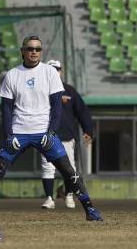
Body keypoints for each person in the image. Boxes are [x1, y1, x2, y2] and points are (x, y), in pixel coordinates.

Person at [0, 36, 102, 222]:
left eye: (38, 49)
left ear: (41, 51)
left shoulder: (50, 73)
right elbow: (5, 109)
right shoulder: (12, 75)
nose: (34, 52)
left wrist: (51, 132)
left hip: (45, 134)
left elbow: (57, 107)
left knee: (69, 172)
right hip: (18, 133)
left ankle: (90, 210)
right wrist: (9, 135)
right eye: (30, 48)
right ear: (22, 51)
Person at [40, 60, 94, 210]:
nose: (54, 72)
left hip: (67, 137)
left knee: (69, 168)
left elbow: (82, 111)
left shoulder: (69, 91)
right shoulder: (39, 90)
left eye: (57, 69)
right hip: (46, 136)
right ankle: (49, 198)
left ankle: (69, 194)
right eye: (51, 69)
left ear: (61, 71)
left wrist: (88, 130)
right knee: (48, 168)